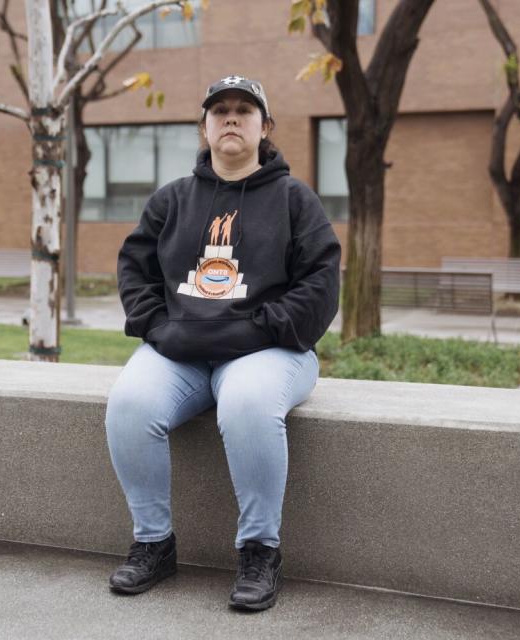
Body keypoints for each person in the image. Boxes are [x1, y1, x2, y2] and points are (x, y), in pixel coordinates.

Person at [105, 75, 341, 611]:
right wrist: (160, 328)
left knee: (248, 404)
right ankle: (153, 544)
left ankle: (260, 551)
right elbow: (134, 270)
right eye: (220, 111)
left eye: (244, 110)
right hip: (181, 350)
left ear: (265, 127)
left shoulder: (293, 199)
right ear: (204, 127)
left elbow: (321, 284)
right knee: (129, 403)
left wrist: (263, 327)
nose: (231, 118)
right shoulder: (172, 200)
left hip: (271, 350)